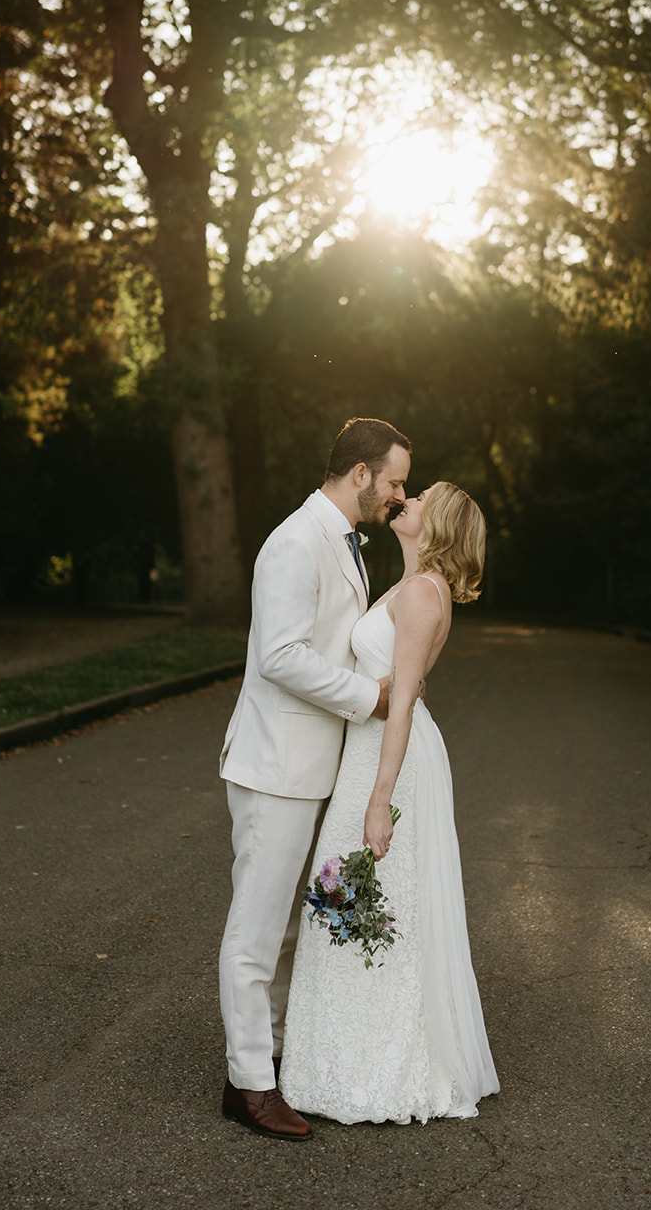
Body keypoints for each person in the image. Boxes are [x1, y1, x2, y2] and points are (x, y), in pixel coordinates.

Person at [279, 481, 499, 1125]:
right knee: (343, 902)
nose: (411, 497)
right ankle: (334, 1056)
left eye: (423, 496)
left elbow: (401, 702)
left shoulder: (425, 595)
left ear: (440, 524)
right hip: (368, 757)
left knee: (365, 902)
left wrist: (379, 801)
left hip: (390, 766)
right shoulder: (406, 587)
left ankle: (379, 1067)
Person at [218, 416, 412, 1140]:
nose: (399, 495)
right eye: (393, 481)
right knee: (256, 932)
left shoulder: (343, 542)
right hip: (275, 767)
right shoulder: (295, 541)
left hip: (317, 766)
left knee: (297, 928)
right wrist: (373, 698)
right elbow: (280, 655)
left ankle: (267, 1057)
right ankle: (247, 1088)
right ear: (359, 472)